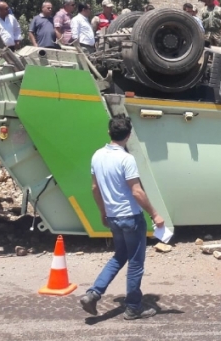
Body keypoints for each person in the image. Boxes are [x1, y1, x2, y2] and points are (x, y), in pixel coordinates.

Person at [79, 115, 164, 320]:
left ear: (109, 132)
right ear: (129, 134)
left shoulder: (97, 156)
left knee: (119, 256)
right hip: (131, 217)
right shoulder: (126, 159)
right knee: (135, 263)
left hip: (114, 217)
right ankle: (134, 307)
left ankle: (93, 293)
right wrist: (155, 214)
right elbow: (137, 191)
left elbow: (94, 188)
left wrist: (103, 212)